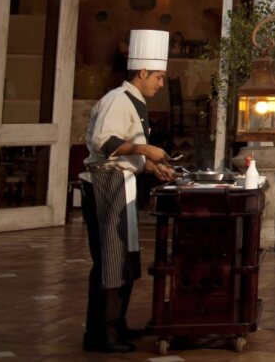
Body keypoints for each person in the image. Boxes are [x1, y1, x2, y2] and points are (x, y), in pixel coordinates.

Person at [80, 29, 176, 353]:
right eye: (158, 77)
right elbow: (103, 143)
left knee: (125, 258)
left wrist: (151, 166)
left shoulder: (136, 102)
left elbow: (126, 151)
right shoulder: (116, 100)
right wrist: (146, 150)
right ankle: (101, 334)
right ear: (142, 72)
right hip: (107, 186)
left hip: (124, 183)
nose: (160, 84)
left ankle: (117, 324)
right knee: (110, 260)